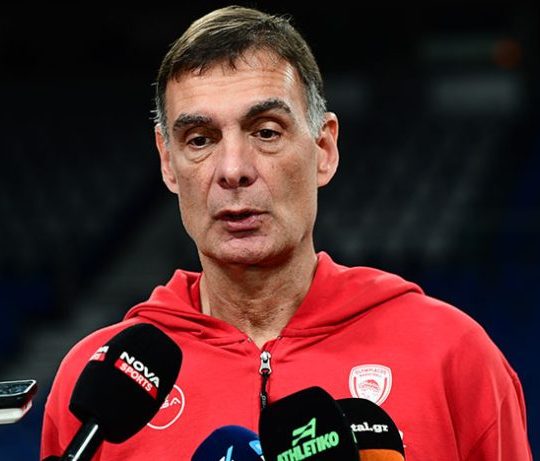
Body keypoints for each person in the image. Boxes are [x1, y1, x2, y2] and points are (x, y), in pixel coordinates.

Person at [41, 5, 532, 460]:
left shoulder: (452, 355)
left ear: (324, 149)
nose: (233, 170)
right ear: (168, 163)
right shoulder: (98, 383)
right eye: (200, 139)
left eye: (266, 132)